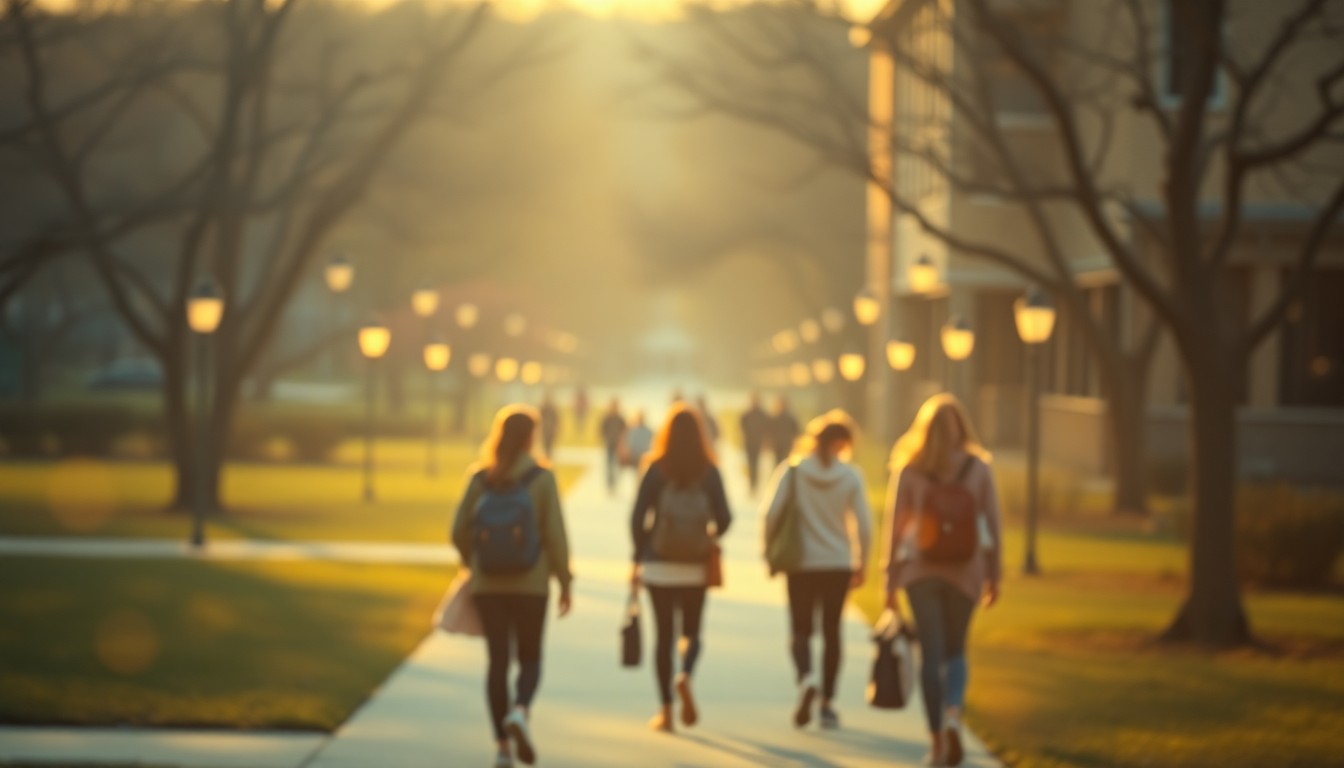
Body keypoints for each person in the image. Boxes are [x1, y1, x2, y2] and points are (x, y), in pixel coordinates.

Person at [451, 405, 574, 768]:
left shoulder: (480, 478)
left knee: (497, 661)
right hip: (531, 584)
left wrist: (473, 562)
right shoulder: (542, 479)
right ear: (531, 438)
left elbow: (458, 530)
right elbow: (555, 535)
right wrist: (565, 582)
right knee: (531, 656)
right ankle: (520, 710)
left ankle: (503, 746)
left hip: (488, 584)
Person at [884, 394, 1002, 767]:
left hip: (921, 572)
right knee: (956, 652)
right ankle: (953, 713)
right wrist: (994, 574)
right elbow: (993, 525)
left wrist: (890, 580)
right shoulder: (978, 468)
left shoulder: (911, 468)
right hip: (966, 572)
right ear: (962, 427)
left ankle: (936, 742)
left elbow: (895, 525)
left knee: (930, 655)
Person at [760, 410, 872, 730]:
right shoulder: (851, 477)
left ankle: (806, 678)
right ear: (844, 444)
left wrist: (768, 551)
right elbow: (864, 525)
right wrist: (862, 560)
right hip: (837, 563)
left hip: (801, 564)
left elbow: (770, 515)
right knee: (832, 633)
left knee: (800, 630)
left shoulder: (793, 471)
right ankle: (827, 703)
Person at [630, 404, 732, 733]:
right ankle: (685, 673)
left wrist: (639, 553)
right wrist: (708, 535)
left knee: (663, 637)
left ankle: (666, 712)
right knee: (692, 631)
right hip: (696, 566)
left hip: (659, 564)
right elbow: (726, 518)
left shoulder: (656, 468)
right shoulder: (709, 470)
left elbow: (636, 517)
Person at [738, 392, 770, 493]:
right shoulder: (747, 414)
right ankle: (752, 485)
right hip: (749, 443)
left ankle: (754, 485)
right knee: (751, 464)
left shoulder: (760, 414)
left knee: (755, 464)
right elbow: (741, 427)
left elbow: (767, 430)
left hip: (756, 443)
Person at [599, 398, 627, 493]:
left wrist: (622, 441)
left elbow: (625, 430)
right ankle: (610, 484)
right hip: (609, 444)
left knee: (617, 465)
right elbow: (602, 429)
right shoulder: (607, 418)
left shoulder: (620, 418)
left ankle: (615, 483)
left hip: (618, 445)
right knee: (609, 465)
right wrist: (605, 438)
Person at [767, 395, 800, 468]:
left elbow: (796, 431)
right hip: (778, 444)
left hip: (786, 444)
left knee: (785, 463)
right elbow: (770, 431)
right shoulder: (776, 417)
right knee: (779, 463)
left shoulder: (789, 418)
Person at [538, 393, 559, 459]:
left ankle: (548, 455)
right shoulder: (543, 408)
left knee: (549, 443)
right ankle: (546, 455)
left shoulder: (552, 409)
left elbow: (556, 419)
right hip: (546, 428)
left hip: (549, 428)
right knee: (545, 443)